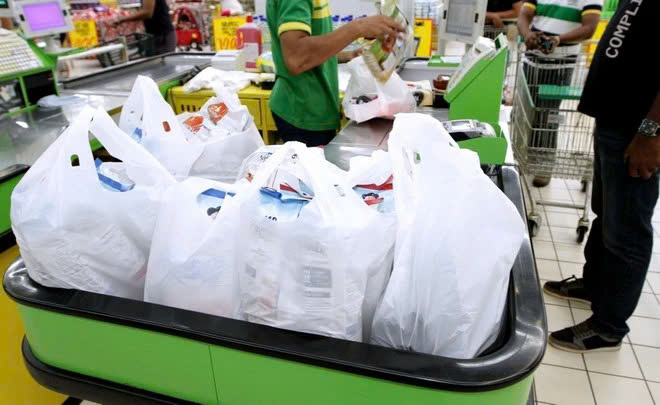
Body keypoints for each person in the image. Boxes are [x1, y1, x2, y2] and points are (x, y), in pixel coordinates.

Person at [543, 0, 660, 353]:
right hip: (614, 117)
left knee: (626, 231)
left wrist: (652, 133)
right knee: (605, 213)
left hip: (636, 129)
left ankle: (608, 326)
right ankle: (594, 285)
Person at [267, 0, 404, 147]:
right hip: (303, 111)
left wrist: (348, 55)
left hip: (317, 108)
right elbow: (297, 57)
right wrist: (359, 27)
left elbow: (312, 49)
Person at [517, 0, 601, 187]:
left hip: (561, 63)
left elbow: (589, 28)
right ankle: (529, 158)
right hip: (532, 60)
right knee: (526, 113)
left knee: (547, 116)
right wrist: (527, 33)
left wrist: (558, 39)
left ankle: (544, 166)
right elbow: (524, 15)